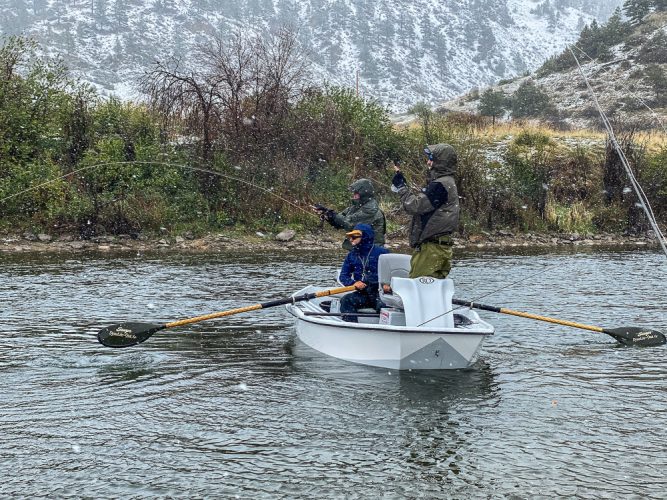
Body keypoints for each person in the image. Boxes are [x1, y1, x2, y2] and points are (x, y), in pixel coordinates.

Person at [391, 143, 460, 279]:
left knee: (418, 288)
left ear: (440, 162)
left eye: (431, 158)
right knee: (432, 292)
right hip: (441, 248)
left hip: (431, 249)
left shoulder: (440, 184)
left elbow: (414, 206)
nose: (428, 162)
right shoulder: (448, 182)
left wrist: (401, 188)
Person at [313, 178, 386, 250]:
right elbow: (339, 222)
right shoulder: (355, 207)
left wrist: (332, 214)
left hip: (372, 251)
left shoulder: (371, 210)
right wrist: (326, 213)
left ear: (363, 194)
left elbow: (349, 224)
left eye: (356, 193)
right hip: (359, 250)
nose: (353, 196)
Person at [338, 223, 390, 322]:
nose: (350, 239)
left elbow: (392, 273)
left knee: (383, 306)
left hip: (380, 293)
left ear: (365, 236)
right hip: (363, 294)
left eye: (354, 237)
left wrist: (388, 284)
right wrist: (353, 283)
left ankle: (384, 331)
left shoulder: (383, 252)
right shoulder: (351, 255)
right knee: (346, 300)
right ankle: (351, 327)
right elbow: (343, 276)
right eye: (349, 237)